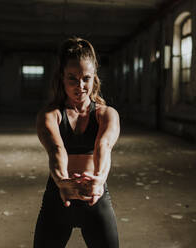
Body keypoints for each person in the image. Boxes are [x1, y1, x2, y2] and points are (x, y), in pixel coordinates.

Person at [34, 37, 120, 248]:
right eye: (72, 78)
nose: (80, 86)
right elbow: (57, 149)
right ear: (61, 78)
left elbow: (104, 146)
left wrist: (99, 180)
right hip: (59, 195)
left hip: (95, 195)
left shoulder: (106, 114)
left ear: (94, 79)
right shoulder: (50, 115)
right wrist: (63, 181)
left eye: (86, 78)